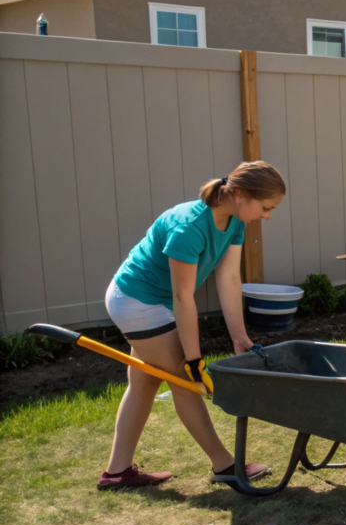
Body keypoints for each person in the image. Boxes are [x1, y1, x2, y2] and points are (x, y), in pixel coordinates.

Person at [99, 161, 286, 490]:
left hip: (158, 301)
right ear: (240, 195)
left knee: (144, 382)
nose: (267, 216)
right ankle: (225, 465)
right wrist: (194, 360)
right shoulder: (188, 227)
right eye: (266, 207)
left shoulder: (236, 220)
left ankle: (117, 473)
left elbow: (228, 279)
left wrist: (239, 337)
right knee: (182, 377)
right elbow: (183, 297)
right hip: (137, 301)